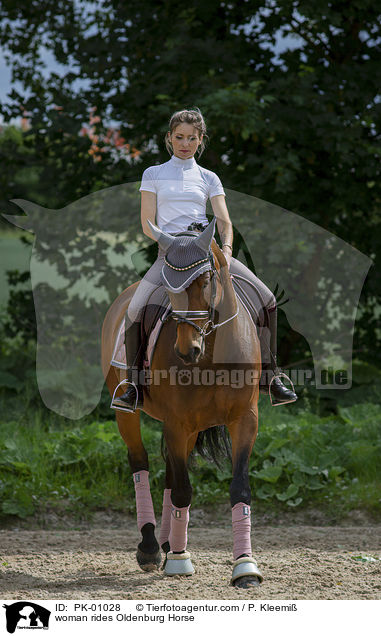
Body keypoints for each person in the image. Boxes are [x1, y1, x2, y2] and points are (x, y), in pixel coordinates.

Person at [113, 108, 297, 410]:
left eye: (192, 138)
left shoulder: (208, 177)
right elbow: (147, 223)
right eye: (180, 137)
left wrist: (225, 248)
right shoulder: (153, 174)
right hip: (170, 252)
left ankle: (272, 376)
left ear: (201, 141)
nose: (185, 143)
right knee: (135, 307)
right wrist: (170, 243)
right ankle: (133, 384)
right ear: (169, 138)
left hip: (206, 251)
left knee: (267, 299)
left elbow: (224, 221)